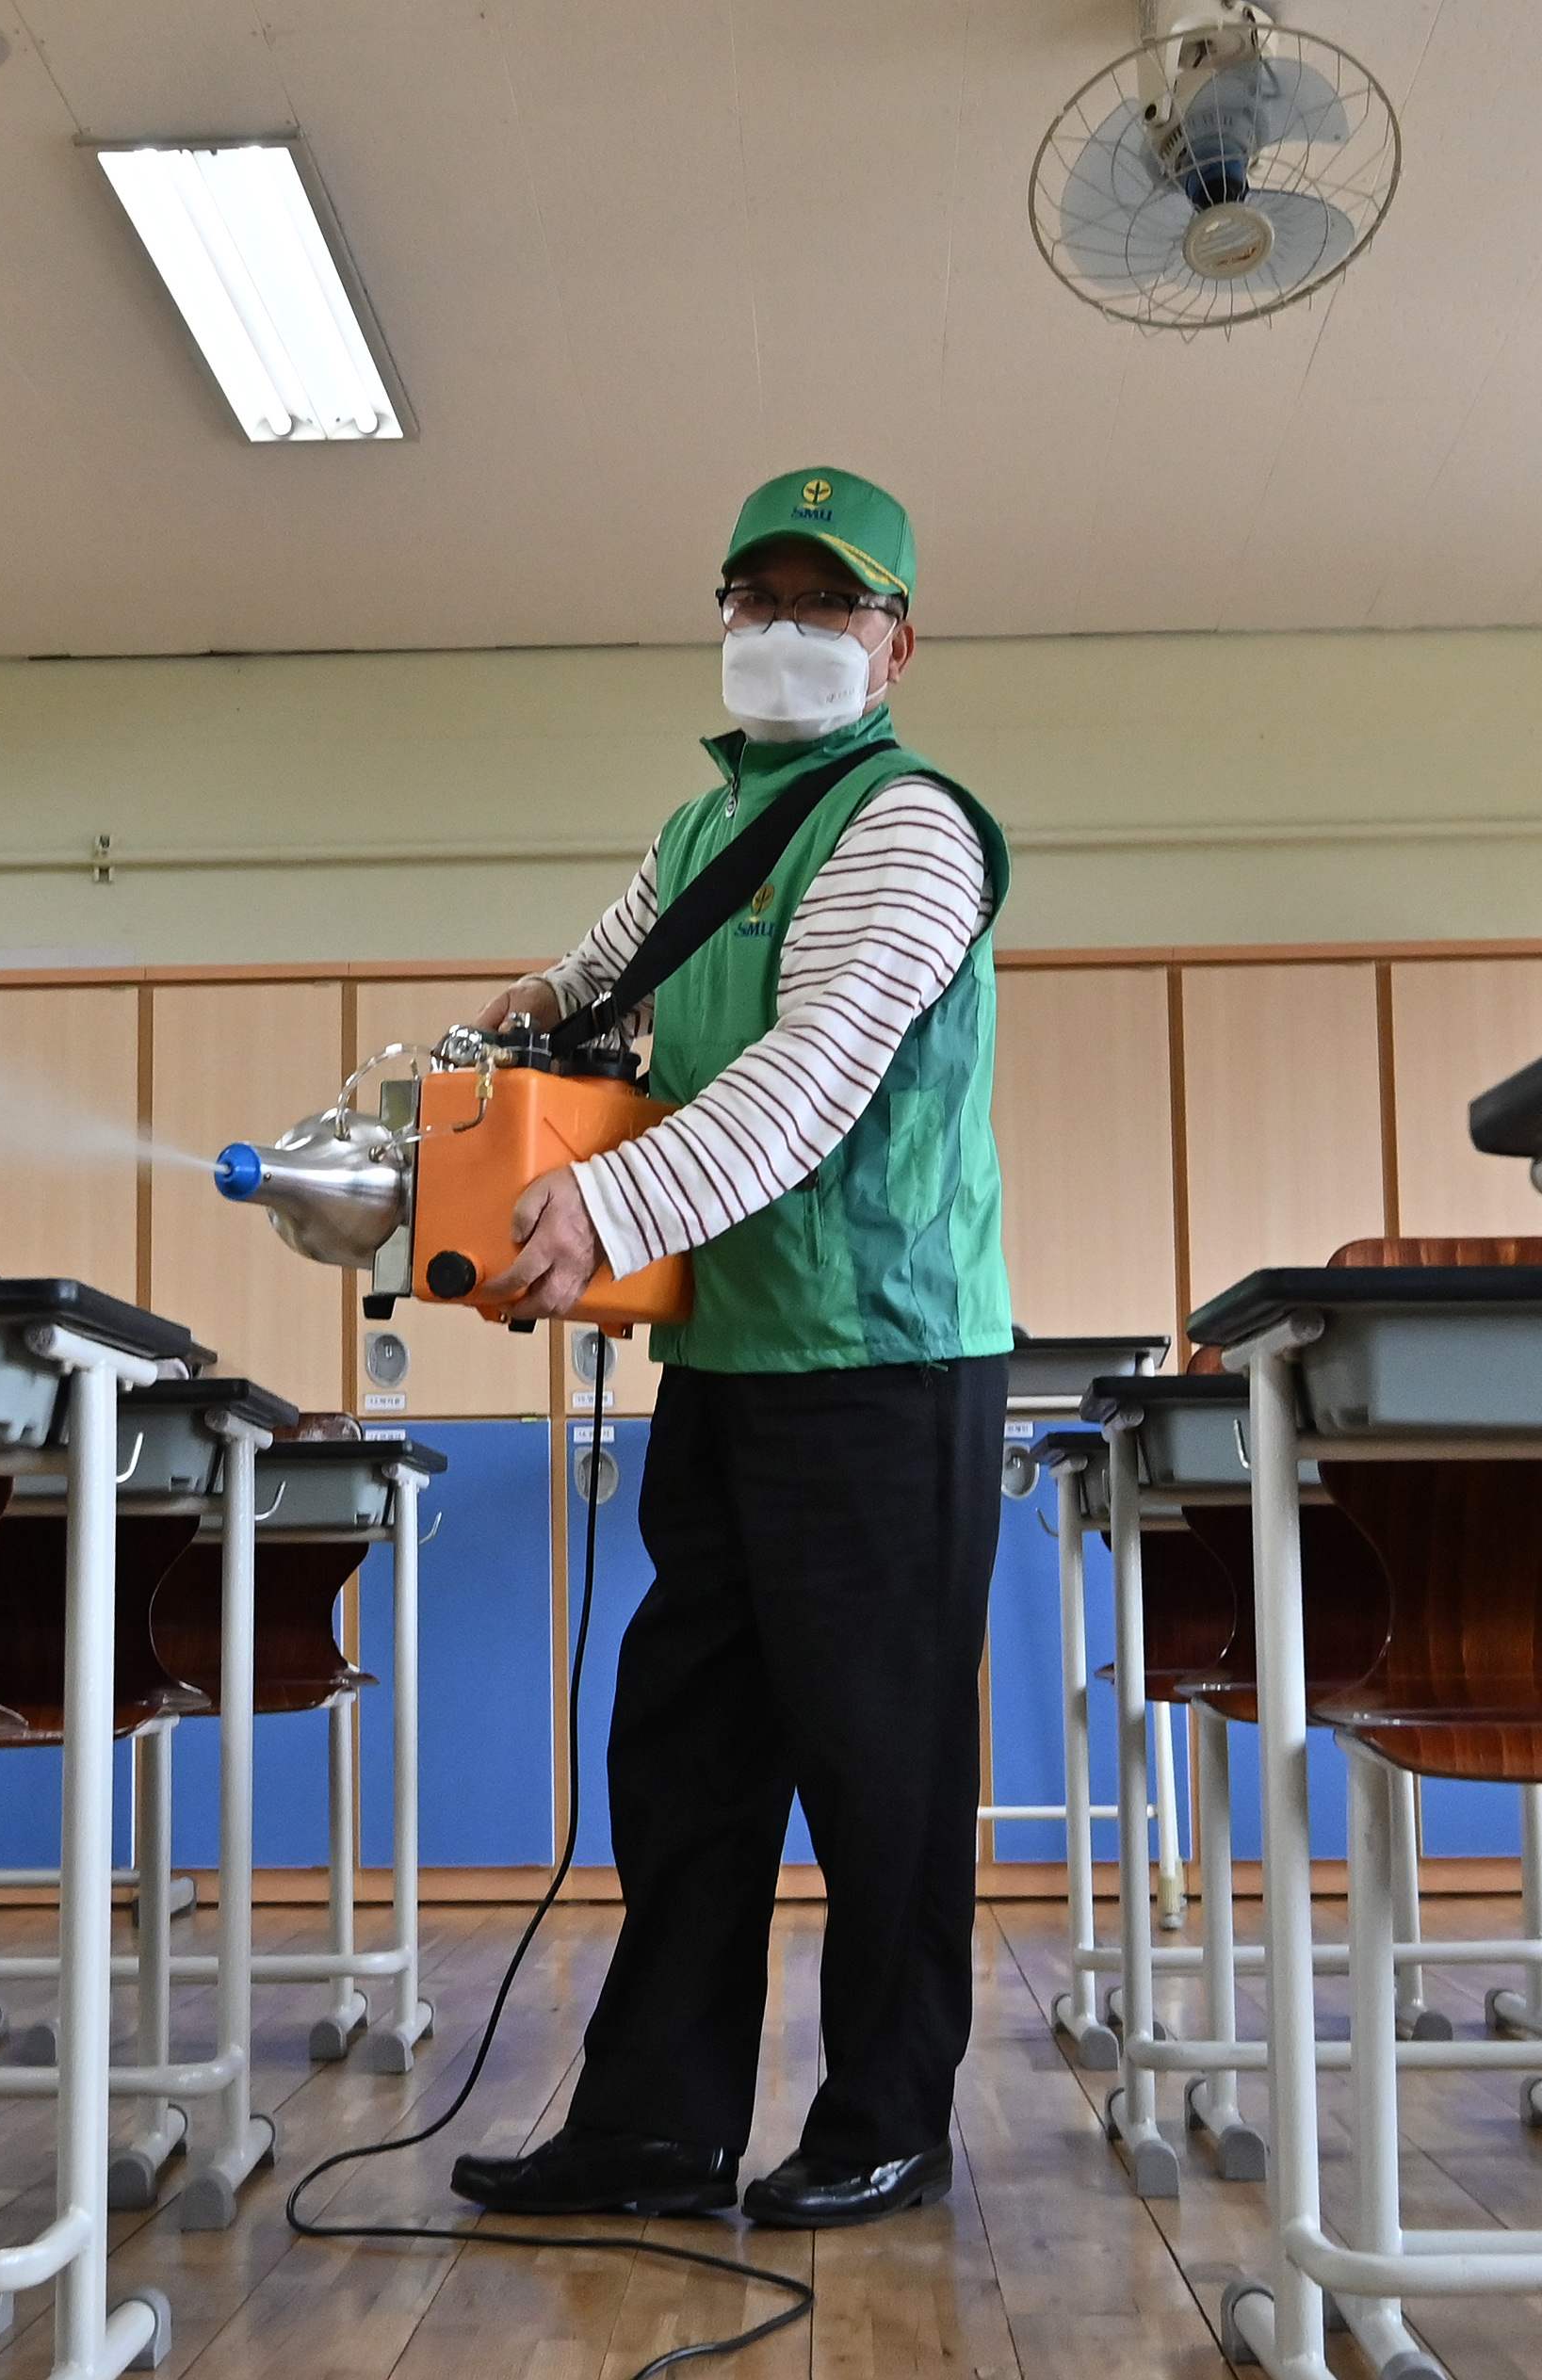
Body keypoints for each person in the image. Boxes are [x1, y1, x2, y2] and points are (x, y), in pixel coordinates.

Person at [446, 465, 1015, 2230]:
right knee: (685, 1758)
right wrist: (469, 1059)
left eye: (825, 604)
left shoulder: (913, 825)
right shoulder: (703, 834)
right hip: (731, 1368)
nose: (784, 632)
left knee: (882, 1767)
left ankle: (884, 2116)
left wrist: (614, 1212)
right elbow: (600, 977)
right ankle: (653, 2125)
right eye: (754, 598)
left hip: (882, 1368)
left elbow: (813, 1071)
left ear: (897, 638)